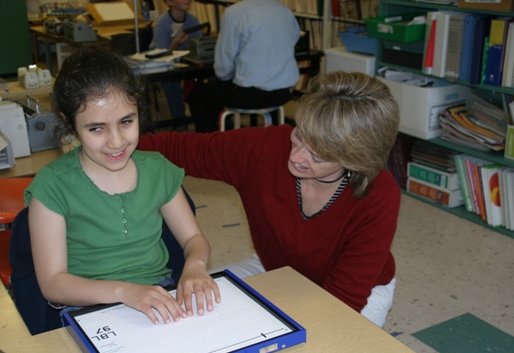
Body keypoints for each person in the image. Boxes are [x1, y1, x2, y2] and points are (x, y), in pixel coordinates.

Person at [139, 71, 401, 327]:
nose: (296, 157)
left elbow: (341, 301)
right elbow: (174, 148)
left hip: (359, 292)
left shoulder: (380, 195)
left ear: (354, 160)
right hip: (278, 268)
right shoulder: (265, 148)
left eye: (317, 156)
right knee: (191, 313)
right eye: (299, 136)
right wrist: (112, 147)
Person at [24, 46, 220, 326]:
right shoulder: (53, 185)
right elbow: (53, 283)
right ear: (70, 124)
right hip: (87, 308)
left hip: (159, 294)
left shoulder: (157, 169)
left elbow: (193, 240)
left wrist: (195, 266)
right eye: (96, 128)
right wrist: (124, 292)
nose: (116, 142)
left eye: (126, 121)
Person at [187, 0, 301, 133]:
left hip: (253, 95)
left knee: (198, 95)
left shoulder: (234, 13)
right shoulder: (283, 10)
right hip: (285, 92)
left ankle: (210, 145)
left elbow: (223, 68)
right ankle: (273, 135)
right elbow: (294, 40)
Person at [149, 0, 204, 122]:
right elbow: (160, 54)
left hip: (189, 64)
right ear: (169, 2)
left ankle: (210, 119)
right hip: (167, 65)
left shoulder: (193, 20)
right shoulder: (162, 23)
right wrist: (174, 46)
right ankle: (179, 122)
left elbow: (200, 45)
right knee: (170, 82)